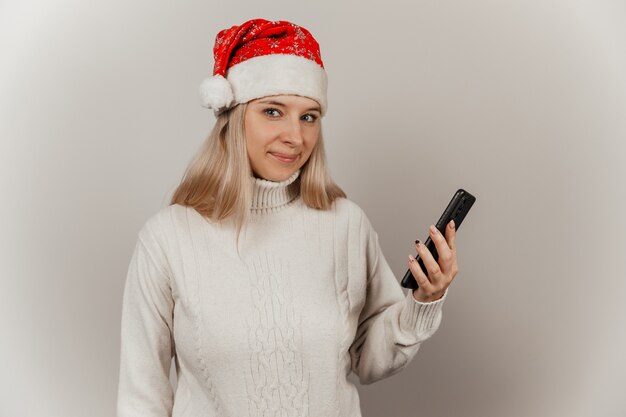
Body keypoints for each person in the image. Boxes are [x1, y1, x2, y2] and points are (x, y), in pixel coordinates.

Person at [116, 18, 459, 417]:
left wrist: (423, 300)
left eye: (309, 117)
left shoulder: (346, 224)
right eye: (273, 111)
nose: (295, 137)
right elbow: (142, 397)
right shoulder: (167, 238)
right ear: (233, 116)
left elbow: (369, 357)